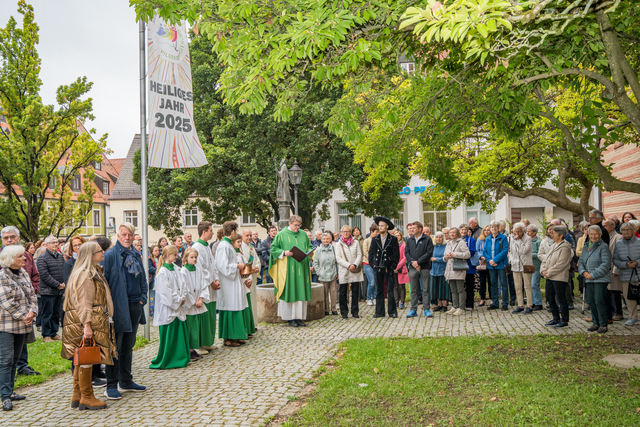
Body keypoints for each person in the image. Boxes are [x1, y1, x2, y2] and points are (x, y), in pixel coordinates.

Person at [61, 241, 116, 410]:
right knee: (87, 357)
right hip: (84, 322)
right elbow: (84, 303)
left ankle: (77, 395)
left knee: (81, 358)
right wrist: (87, 326)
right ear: (92, 255)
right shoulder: (86, 275)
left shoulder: (88, 272)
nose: (103, 253)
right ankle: (87, 397)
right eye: (100, 251)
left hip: (79, 321)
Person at [101, 222, 148, 400]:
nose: (127, 238)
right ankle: (111, 384)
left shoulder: (135, 254)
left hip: (135, 305)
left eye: (130, 234)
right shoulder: (110, 255)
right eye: (124, 235)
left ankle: (126, 381)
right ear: (118, 236)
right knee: (115, 347)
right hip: (118, 307)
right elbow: (103, 284)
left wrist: (143, 297)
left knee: (128, 345)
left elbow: (142, 278)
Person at [0, 245, 38, 411]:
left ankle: (11, 391)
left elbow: (32, 296)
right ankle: (5, 397)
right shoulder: (2, 276)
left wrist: (33, 312)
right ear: (11, 259)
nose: (25, 258)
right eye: (21, 256)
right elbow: (7, 301)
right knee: (6, 360)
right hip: (7, 325)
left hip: (23, 325)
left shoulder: (23, 273)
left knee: (15, 360)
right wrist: (25, 314)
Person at [1, 227, 40, 378]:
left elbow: (34, 276)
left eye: (12, 237)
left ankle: (22, 365)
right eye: (5, 238)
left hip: (26, 306)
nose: (9, 240)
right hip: (5, 311)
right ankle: (7, 379)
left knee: (22, 341)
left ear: (18, 238)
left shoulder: (26, 256)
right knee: (7, 350)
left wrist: (32, 293)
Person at [149, 245, 190, 369]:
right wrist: (178, 300)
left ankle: (181, 357)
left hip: (179, 305)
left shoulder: (176, 269)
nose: (177, 257)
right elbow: (165, 292)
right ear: (168, 255)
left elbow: (183, 284)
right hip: (169, 309)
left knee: (179, 333)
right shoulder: (162, 272)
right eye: (175, 255)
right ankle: (169, 358)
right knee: (170, 335)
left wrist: (183, 297)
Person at [268, 216, 314, 327]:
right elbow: (273, 249)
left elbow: (309, 246)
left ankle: (299, 318)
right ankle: (290, 318)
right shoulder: (281, 234)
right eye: (295, 225)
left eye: (299, 225)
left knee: (300, 290)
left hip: (302, 267)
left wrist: (310, 253)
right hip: (288, 269)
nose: (297, 227)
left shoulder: (303, 234)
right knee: (290, 290)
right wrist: (284, 252)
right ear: (290, 223)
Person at [215, 222, 249, 345]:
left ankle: (235, 336)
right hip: (228, 283)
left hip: (233, 280)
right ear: (233, 232)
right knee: (231, 306)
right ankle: (229, 337)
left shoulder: (228, 245)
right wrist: (237, 266)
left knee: (236, 305)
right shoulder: (224, 245)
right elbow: (222, 265)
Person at [578, 225, 611, 334]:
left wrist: (593, 274)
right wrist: (584, 273)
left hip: (600, 279)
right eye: (591, 234)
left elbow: (606, 264)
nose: (593, 236)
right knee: (591, 301)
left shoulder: (603, 246)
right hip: (588, 278)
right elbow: (581, 262)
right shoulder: (586, 246)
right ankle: (595, 323)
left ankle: (603, 324)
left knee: (599, 300)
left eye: (596, 234)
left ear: (600, 235)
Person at [192, 221, 220, 352]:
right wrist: (211, 282)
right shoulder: (197, 247)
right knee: (203, 316)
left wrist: (216, 279)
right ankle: (200, 344)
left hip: (212, 286)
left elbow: (213, 265)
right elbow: (201, 268)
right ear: (204, 232)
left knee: (210, 316)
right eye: (210, 230)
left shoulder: (207, 246)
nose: (212, 233)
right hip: (204, 287)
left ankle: (208, 341)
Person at [541, 225, 573, 328]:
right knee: (549, 298)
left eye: (554, 234)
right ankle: (555, 318)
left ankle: (564, 320)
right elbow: (546, 259)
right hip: (549, 276)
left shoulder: (565, 247)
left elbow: (561, 264)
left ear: (561, 235)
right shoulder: (554, 245)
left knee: (561, 298)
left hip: (559, 277)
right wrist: (543, 270)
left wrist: (549, 272)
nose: (552, 235)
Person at [180, 248, 210, 359]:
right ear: (186, 258)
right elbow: (185, 288)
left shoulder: (198, 269)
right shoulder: (184, 271)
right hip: (190, 305)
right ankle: (189, 349)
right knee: (190, 327)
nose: (194, 259)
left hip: (198, 301)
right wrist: (193, 301)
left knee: (196, 326)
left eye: (196, 257)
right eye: (192, 257)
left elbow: (203, 284)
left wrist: (201, 299)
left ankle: (193, 348)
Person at [36, 235, 66, 342]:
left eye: (56, 242)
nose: (55, 244)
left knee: (56, 313)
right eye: (53, 242)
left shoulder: (60, 256)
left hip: (59, 290)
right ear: (47, 244)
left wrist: (63, 283)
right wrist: (57, 284)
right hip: (47, 291)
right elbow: (44, 275)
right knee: (47, 313)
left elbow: (63, 270)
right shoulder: (42, 257)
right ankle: (46, 335)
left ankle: (54, 333)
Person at [369, 217, 400, 318]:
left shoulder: (393, 239)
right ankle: (379, 312)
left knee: (390, 289)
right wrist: (373, 264)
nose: (380, 227)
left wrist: (393, 266)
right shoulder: (375, 239)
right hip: (377, 267)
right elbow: (371, 253)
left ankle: (392, 312)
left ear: (387, 227)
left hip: (388, 267)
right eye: (379, 225)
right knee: (379, 290)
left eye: (382, 225)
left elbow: (396, 254)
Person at [613, 222, 640, 326]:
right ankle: (633, 317)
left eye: (628, 229)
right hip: (626, 274)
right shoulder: (618, 244)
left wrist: (637, 263)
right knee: (629, 297)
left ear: (633, 230)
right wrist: (625, 264)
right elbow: (615, 259)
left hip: (639, 272)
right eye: (624, 230)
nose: (626, 232)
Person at [405, 221, 434, 318]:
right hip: (413, 268)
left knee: (425, 289)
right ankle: (413, 310)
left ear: (420, 229)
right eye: (411, 228)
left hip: (425, 267)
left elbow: (429, 253)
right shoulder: (409, 240)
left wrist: (419, 262)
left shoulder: (427, 239)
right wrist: (414, 263)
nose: (412, 229)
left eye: (414, 228)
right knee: (413, 290)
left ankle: (426, 309)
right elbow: (407, 253)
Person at [334, 225, 363, 319]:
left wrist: (354, 264)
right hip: (344, 270)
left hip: (355, 269)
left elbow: (359, 254)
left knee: (355, 291)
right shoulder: (338, 244)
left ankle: (355, 311)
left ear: (351, 232)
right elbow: (338, 258)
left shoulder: (356, 242)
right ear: (341, 233)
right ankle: (344, 312)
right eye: (344, 231)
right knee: (343, 292)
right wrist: (348, 265)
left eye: (348, 231)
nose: (346, 233)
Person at [481, 221, 510, 311]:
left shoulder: (503, 238)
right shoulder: (487, 239)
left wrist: (495, 260)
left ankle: (505, 303)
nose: (493, 228)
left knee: (503, 284)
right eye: (492, 227)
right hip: (491, 265)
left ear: (498, 228)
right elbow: (485, 251)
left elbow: (505, 251)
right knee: (493, 284)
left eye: (495, 227)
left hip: (501, 264)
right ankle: (495, 303)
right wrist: (490, 260)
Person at [443, 228, 471, 316]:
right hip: (449, 270)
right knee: (453, 289)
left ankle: (461, 308)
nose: (451, 234)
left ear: (457, 234)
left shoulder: (461, 242)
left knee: (460, 289)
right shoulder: (448, 243)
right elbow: (444, 257)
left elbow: (467, 254)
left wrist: (455, 254)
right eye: (450, 233)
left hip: (458, 269)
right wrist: (446, 257)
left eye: (453, 232)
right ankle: (454, 306)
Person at [508, 222, 533, 314]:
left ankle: (529, 305)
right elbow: (511, 251)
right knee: (517, 286)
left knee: (527, 286)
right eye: (515, 231)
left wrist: (519, 241)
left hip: (525, 265)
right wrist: (511, 260)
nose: (517, 233)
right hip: (515, 265)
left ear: (523, 231)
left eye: (519, 231)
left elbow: (524, 251)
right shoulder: (513, 238)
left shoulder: (528, 239)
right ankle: (520, 305)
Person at [313, 232, 338, 316]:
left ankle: (333, 309)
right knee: (325, 293)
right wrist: (319, 272)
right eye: (324, 239)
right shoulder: (318, 250)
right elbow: (315, 262)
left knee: (333, 292)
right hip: (323, 275)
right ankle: (326, 309)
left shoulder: (334, 248)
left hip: (332, 273)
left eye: (327, 239)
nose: (326, 240)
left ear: (330, 239)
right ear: (321, 240)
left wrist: (336, 272)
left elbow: (336, 262)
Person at [604, 220, 624, 321]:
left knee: (615, 291)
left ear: (612, 226)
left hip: (614, 267)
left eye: (605, 226)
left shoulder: (618, 237)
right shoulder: (606, 236)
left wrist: (616, 269)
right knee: (609, 291)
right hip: (606, 268)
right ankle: (611, 312)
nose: (603, 227)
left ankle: (618, 312)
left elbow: (619, 255)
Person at [240, 230, 259, 334]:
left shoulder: (251, 248)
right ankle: (248, 325)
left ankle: (253, 324)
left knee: (253, 302)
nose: (249, 237)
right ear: (242, 236)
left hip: (252, 278)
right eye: (247, 235)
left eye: (251, 235)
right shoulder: (240, 247)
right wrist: (251, 270)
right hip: (245, 279)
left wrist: (257, 268)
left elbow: (257, 261)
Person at [430, 232, 450, 312]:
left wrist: (436, 259)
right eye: (437, 237)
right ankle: (439, 304)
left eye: (440, 237)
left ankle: (445, 305)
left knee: (444, 288)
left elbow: (446, 257)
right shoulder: (433, 247)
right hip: (434, 270)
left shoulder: (446, 246)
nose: (438, 239)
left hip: (443, 270)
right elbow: (430, 256)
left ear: (443, 238)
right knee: (436, 288)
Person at [460, 225, 478, 310]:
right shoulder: (457, 240)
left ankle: (469, 305)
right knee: (460, 287)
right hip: (459, 266)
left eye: (465, 230)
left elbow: (472, 251)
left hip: (469, 266)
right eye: (462, 229)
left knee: (469, 286)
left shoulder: (472, 240)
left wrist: (462, 255)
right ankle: (461, 304)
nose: (463, 231)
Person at [528, 225, 543, 311]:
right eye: (527, 231)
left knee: (534, 284)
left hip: (536, 266)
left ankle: (538, 303)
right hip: (527, 266)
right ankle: (532, 302)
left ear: (534, 232)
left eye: (529, 231)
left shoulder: (538, 242)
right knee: (529, 285)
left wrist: (530, 255)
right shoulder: (526, 241)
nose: (527, 233)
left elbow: (539, 254)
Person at [362, 224, 379, 306]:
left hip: (376, 264)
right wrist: (373, 260)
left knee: (376, 281)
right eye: (376, 232)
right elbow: (365, 252)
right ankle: (369, 298)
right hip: (368, 263)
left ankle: (375, 297)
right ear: (371, 232)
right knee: (371, 282)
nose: (377, 233)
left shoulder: (378, 240)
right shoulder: (366, 241)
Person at [476, 225, 491, 307]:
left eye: (488, 230)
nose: (487, 231)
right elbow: (477, 250)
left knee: (491, 282)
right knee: (482, 282)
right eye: (485, 230)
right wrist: (481, 257)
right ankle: (482, 299)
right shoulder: (479, 239)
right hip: (482, 263)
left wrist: (488, 258)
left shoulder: (492, 239)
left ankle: (492, 299)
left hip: (490, 262)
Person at [393, 230, 408, 310]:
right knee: (395, 286)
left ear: (401, 237)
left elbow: (404, 257)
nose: (397, 237)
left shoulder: (403, 246)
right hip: (394, 268)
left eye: (398, 235)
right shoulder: (391, 246)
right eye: (395, 235)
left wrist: (398, 266)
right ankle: (396, 301)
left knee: (402, 286)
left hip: (401, 268)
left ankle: (402, 301)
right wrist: (393, 267)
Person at [352, 226, 366, 300]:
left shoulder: (363, 240)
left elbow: (364, 250)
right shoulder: (352, 241)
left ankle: (365, 296)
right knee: (357, 279)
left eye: (357, 230)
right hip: (355, 261)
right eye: (355, 231)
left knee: (364, 279)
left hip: (363, 261)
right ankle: (358, 296)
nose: (356, 232)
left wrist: (363, 258)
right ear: (353, 233)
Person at [148, 245, 160, 317]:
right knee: (152, 297)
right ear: (152, 252)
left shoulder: (160, 258)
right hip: (153, 281)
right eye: (156, 251)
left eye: (158, 250)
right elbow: (151, 269)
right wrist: (159, 270)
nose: (158, 252)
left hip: (160, 280)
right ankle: (152, 313)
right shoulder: (149, 259)